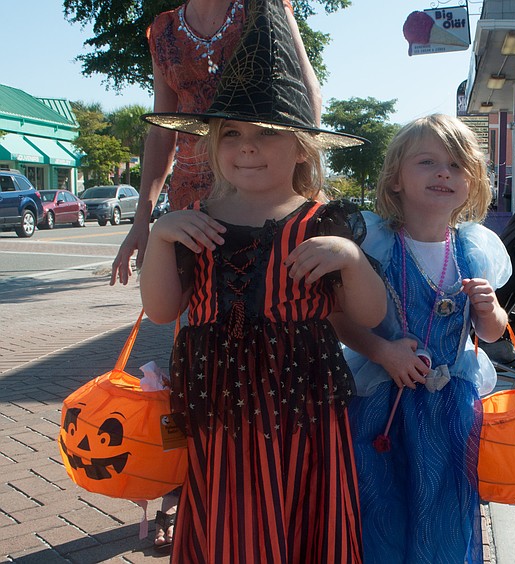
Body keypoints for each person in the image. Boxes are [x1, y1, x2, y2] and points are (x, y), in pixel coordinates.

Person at [138, 1, 379, 561]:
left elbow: (367, 315)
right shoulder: (197, 221)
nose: (247, 146)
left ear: (300, 145)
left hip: (302, 420)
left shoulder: (323, 222)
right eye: (231, 134)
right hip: (218, 417)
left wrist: (351, 259)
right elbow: (160, 310)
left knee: (300, 523)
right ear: (213, 146)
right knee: (229, 524)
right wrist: (159, 236)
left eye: (266, 133)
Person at [332, 114, 511, 564]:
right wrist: (382, 350)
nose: (443, 173)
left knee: (444, 509)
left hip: (449, 408)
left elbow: (490, 334)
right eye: (427, 162)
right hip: (379, 403)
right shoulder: (375, 243)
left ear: (472, 181)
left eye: (456, 164)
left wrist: (491, 310)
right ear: (395, 179)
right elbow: (336, 317)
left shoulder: (474, 248)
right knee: (378, 504)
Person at [110, 0, 322, 286]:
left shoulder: (263, 5)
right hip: (191, 193)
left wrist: (303, 186)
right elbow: (161, 132)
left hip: (258, 180)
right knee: (200, 303)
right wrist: (141, 221)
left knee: (272, 292)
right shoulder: (163, 30)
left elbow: (307, 98)